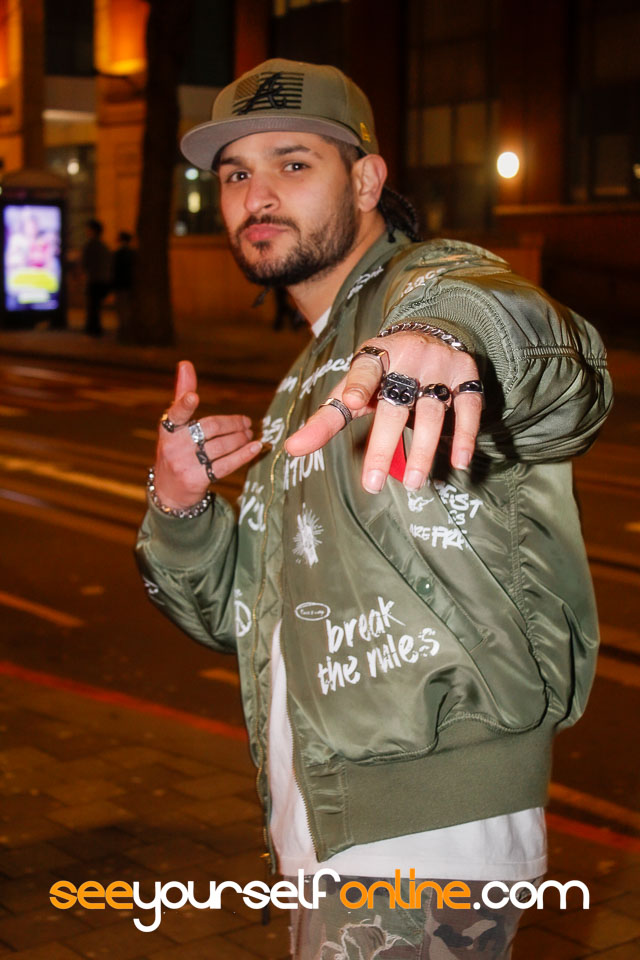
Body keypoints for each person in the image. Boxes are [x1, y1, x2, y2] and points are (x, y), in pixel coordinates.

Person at [136, 59, 612, 958]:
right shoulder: (309, 381)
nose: (256, 196)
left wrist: (447, 336)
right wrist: (181, 508)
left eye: (293, 163)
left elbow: (552, 356)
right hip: (330, 824)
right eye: (235, 174)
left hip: (423, 843)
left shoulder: (421, 291)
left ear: (366, 181)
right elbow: (244, 620)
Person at [81, 218, 111, 336]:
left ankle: (93, 328)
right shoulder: (104, 246)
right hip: (103, 280)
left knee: (92, 305)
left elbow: (85, 263)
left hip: (94, 280)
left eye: (88, 229)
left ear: (92, 230)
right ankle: (95, 328)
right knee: (97, 306)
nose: (86, 232)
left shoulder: (90, 245)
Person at [112, 230, 136, 343]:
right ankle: (127, 331)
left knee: (122, 310)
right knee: (127, 309)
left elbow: (115, 270)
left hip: (121, 285)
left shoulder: (119, 253)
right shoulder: (132, 253)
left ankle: (124, 332)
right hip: (130, 285)